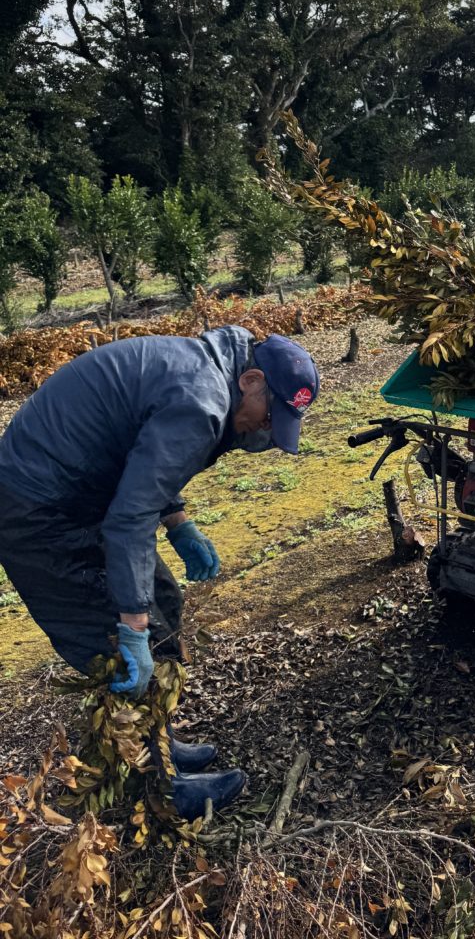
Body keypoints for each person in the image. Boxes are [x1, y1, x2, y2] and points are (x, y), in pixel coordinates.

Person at [0, 324, 320, 818]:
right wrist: (130, 626)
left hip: (80, 491)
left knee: (163, 603)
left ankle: (161, 739)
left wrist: (179, 524)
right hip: (39, 509)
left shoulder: (207, 374)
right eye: (270, 416)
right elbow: (128, 520)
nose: (266, 432)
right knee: (118, 647)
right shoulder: (202, 400)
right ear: (251, 380)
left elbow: (141, 456)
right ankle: (160, 790)